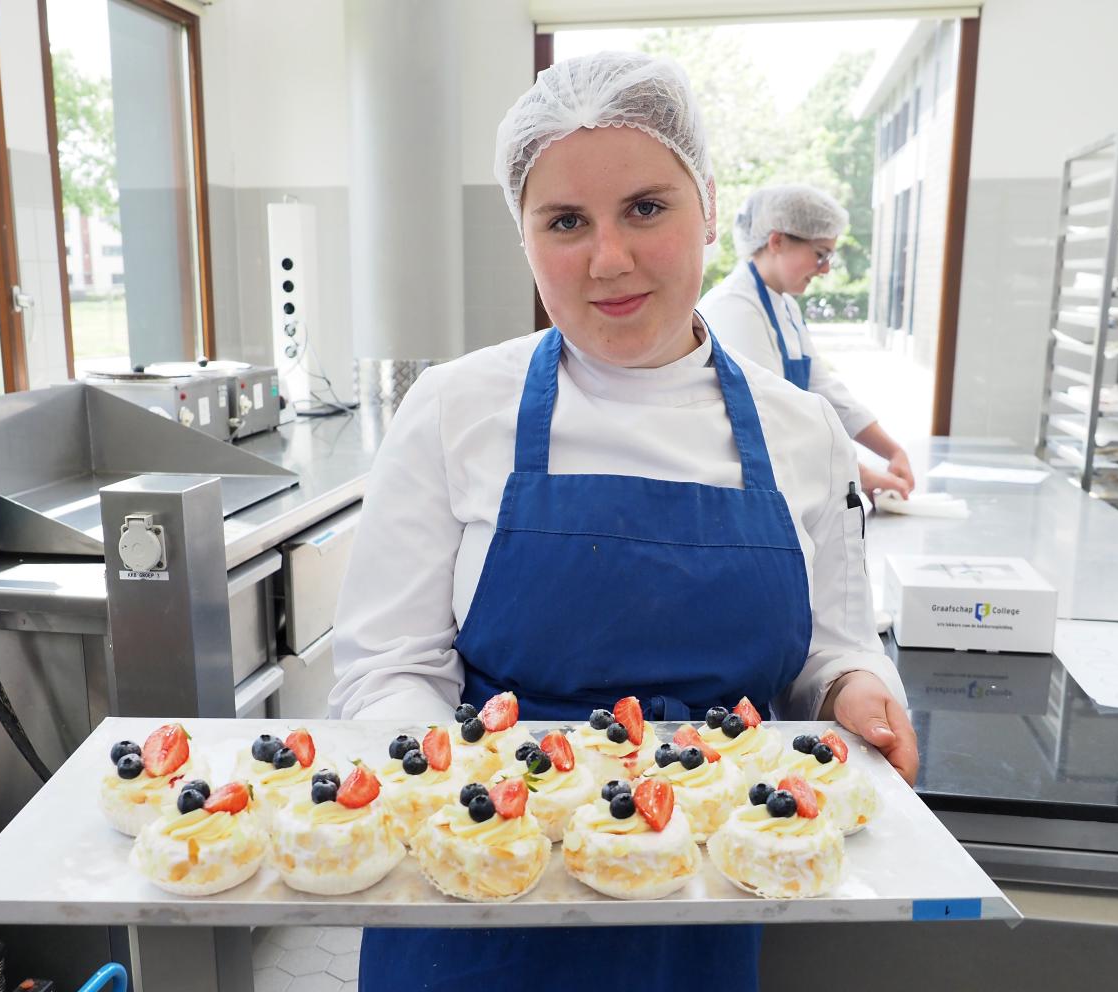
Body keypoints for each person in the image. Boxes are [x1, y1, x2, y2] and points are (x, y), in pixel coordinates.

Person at [330, 51, 917, 991]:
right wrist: (475, 798)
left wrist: (854, 689)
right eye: (565, 221)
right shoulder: (453, 410)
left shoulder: (800, 430)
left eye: (646, 207)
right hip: (477, 905)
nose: (609, 259)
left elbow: (830, 646)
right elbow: (388, 668)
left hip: (699, 904)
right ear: (523, 237)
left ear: (711, 207)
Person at [698, 184, 915, 498]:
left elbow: (824, 390)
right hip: (745, 485)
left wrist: (893, 451)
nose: (826, 269)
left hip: (783, 472)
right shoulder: (735, 309)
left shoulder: (784, 305)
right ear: (777, 241)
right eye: (820, 254)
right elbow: (771, 416)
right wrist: (859, 476)